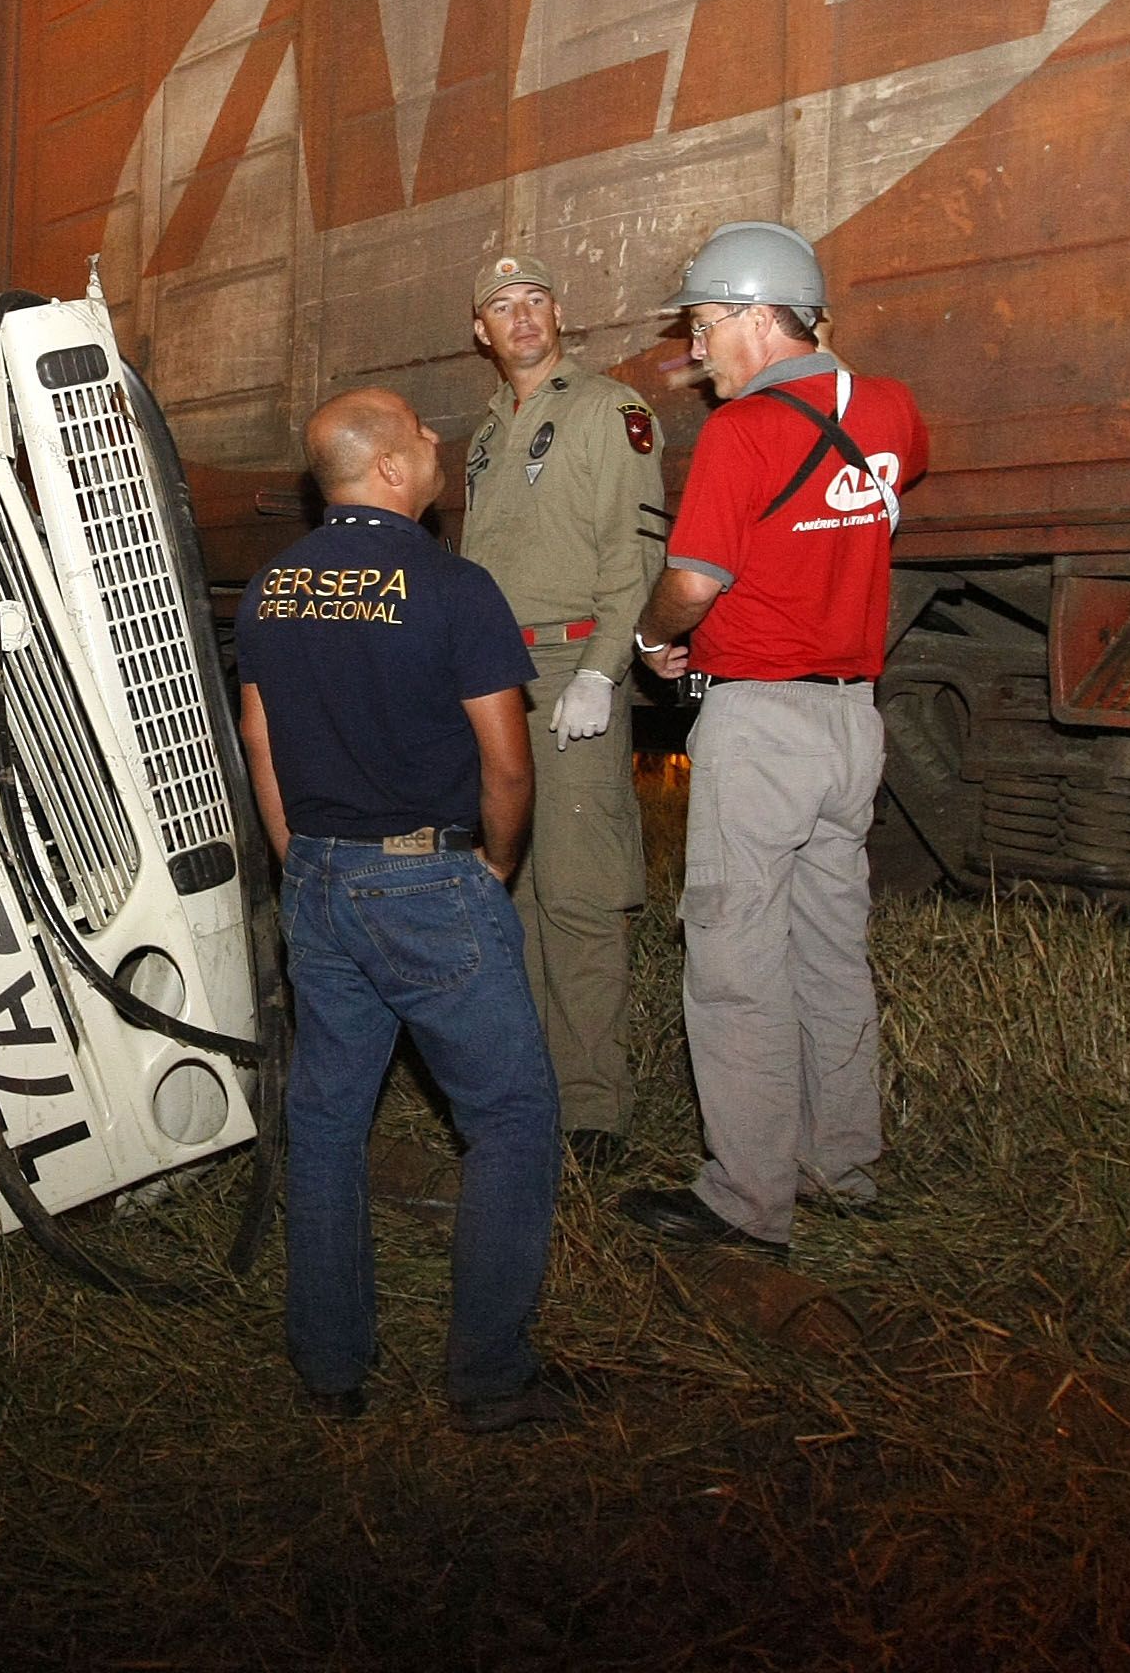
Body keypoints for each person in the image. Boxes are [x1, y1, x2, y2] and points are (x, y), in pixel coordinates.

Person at [234, 387, 596, 1432]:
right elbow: (508, 763)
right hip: (431, 885)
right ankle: (490, 1378)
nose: (439, 441)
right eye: (424, 434)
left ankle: (331, 1369)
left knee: (330, 1121)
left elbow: (260, 743)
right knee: (514, 1117)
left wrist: (299, 855)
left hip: (322, 884)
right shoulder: (454, 588)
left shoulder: (271, 590)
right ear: (391, 469)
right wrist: (494, 863)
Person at [619, 222, 927, 1260]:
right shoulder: (891, 411)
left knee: (736, 954)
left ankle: (747, 1200)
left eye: (708, 327)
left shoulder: (741, 436)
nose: (698, 353)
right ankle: (843, 1167)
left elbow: (696, 581)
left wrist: (656, 637)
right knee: (832, 952)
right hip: (852, 722)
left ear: (760, 316)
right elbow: (882, 486)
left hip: (762, 721)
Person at [457, 249, 668, 1172]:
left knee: (578, 894)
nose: (523, 316)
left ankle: (594, 1115)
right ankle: (537, 1095)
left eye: (536, 299)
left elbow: (635, 553)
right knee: (519, 890)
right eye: (503, 305)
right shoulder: (486, 430)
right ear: (482, 332)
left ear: (558, 314)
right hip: (498, 679)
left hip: (572, 669)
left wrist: (603, 671)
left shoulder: (607, 411)